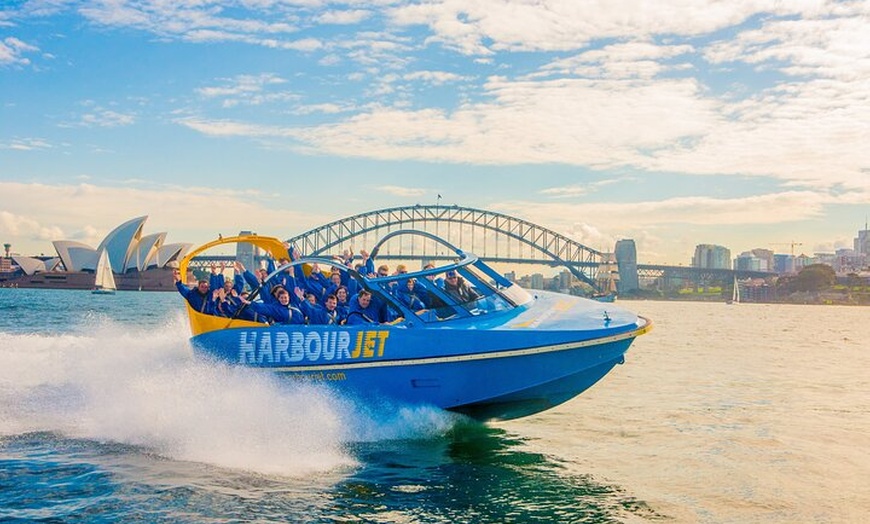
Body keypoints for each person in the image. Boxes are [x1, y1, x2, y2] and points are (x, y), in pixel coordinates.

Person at [240, 286, 305, 324]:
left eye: (285, 297)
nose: (284, 300)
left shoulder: (294, 304)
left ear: (289, 297)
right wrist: (249, 303)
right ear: (278, 299)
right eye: (281, 298)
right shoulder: (276, 308)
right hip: (289, 330)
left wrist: (301, 298)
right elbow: (264, 307)